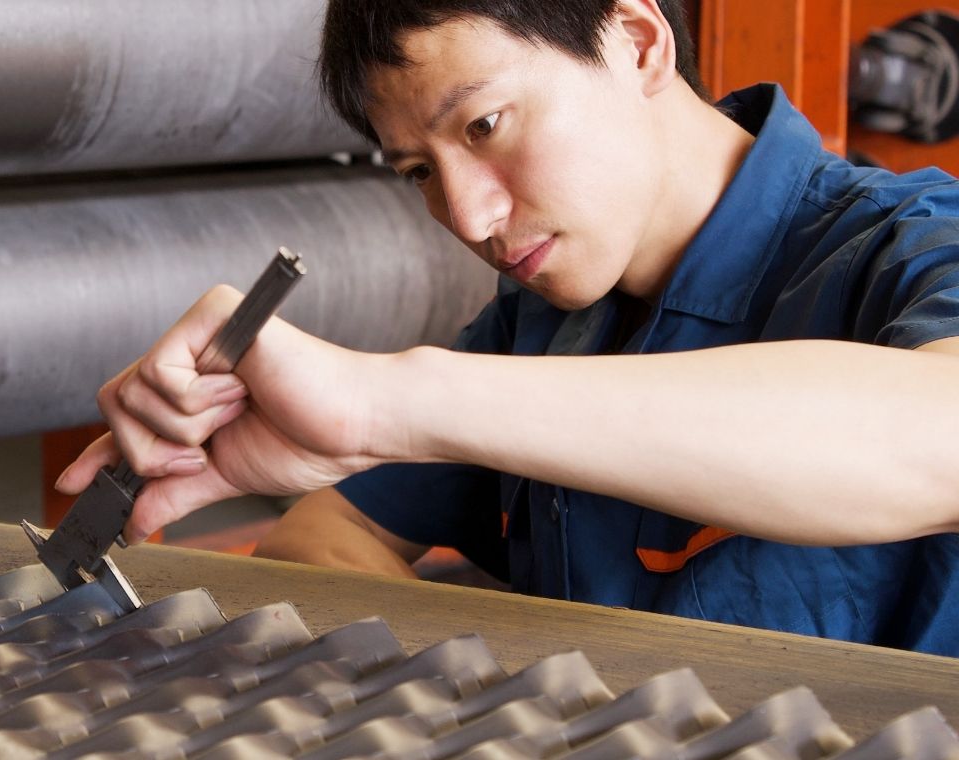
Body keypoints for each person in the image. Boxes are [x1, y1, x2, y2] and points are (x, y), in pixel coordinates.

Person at [56, 0, 959, 655]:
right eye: (418, 169)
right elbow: (320, 538)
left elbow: (937, 429)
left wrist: (392, 400)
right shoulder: (539, 332)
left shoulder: (910, 245)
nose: (469, 216)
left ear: (638, 42)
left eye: (484, 125)